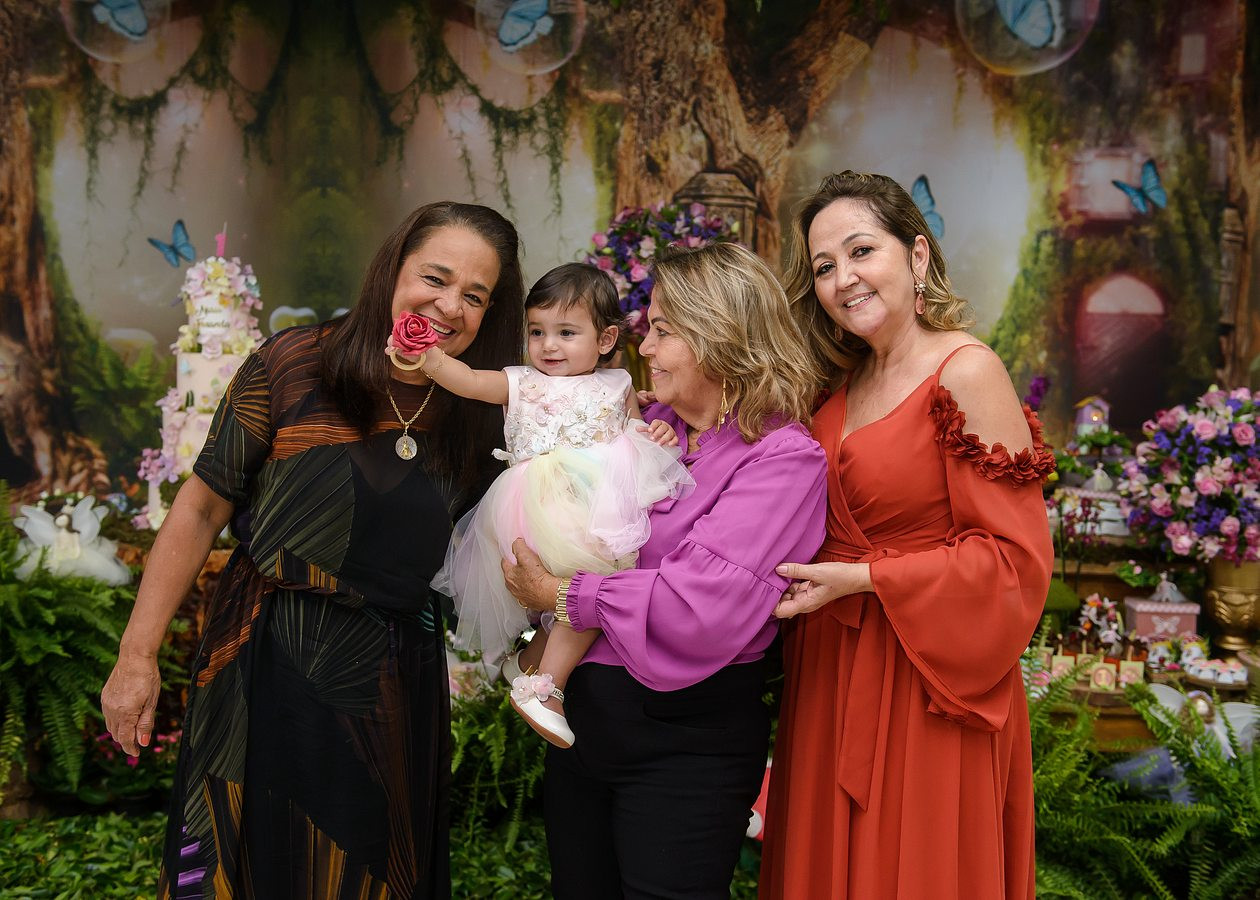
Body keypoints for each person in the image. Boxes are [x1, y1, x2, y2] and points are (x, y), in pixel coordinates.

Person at [99, 201, 525, 899]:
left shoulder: (485, 414)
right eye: (435, 278)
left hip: (389, 687)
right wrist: (136, 655)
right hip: (260, 660)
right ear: (393, 270)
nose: (449, 307)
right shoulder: (295, 364)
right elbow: (201, 507)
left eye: (474, 296)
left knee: (362, 875)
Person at [759, 171, 1055, 900]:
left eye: (862, 251)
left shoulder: (967, 371)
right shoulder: (834, 385)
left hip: (927, 679)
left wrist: (867, 578)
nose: (843, 279)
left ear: (917, 255)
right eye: (824, 266)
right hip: (827, 671)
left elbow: (1014, 562)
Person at [501, 241, 828, 899]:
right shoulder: (642, 427)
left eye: (664, 331)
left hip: (685, 740)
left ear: (722, 337)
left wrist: (561, 593)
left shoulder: (782, 459)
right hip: (585, 727)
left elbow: (700, 605)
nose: (644, 347)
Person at [407, 262, 691, 747]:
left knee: (590, 585)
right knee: (591, 582)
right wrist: (427, 357)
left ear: (605, 339)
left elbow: (636, 432)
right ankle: (545, 689)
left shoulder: (620, 384)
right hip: (539, 505)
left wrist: (657, 431)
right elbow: (468, 380)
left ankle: (529, 661)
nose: (548, 346)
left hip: (598, 503)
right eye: (537, 332)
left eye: (566, 333)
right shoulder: (521, 382)